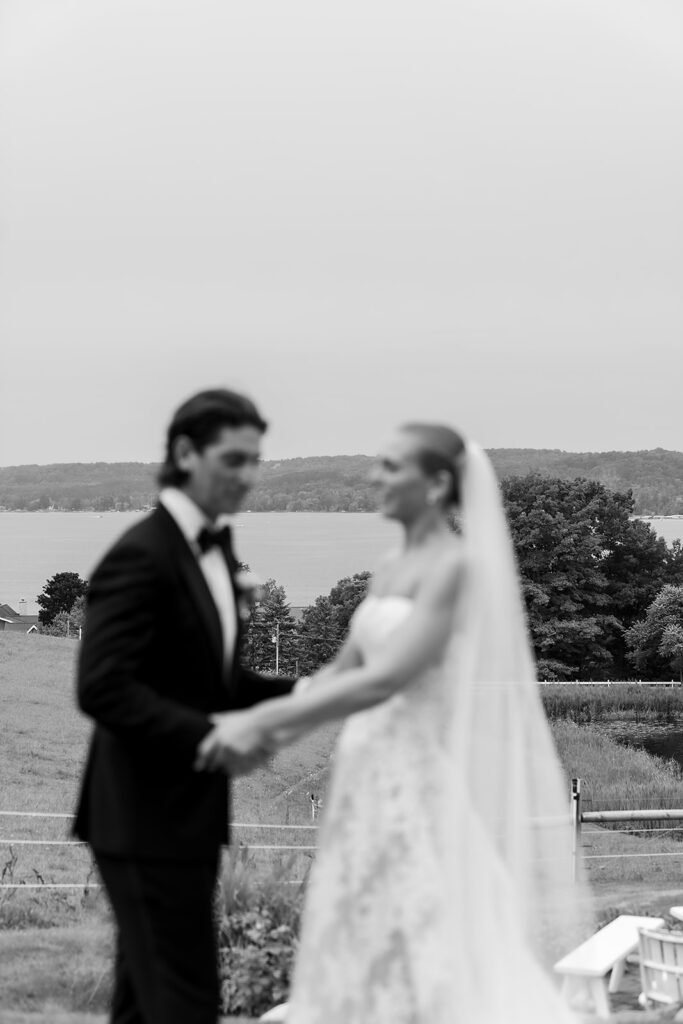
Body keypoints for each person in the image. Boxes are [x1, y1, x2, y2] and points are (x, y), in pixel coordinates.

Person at [199, 423, 592, 1024]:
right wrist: (258, 722)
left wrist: (263, 723)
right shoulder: (388, 567)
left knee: (420, 932)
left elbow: (386, 679)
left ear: (435, 483)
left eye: (390, 466)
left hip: (416, 777)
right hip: (364, 773)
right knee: (361, 920)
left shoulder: (457, 569)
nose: (373, 477)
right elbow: (340, 673)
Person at [73, 388, 295, 1024]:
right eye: (233, 460)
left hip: (189, 813)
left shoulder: (215, 547)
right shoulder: (141, 553)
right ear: (184, 453)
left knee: (144, 1005)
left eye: (255, 461)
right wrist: (210, 736)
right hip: (143, 818)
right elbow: (101, 687)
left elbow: (217, 682)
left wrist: (313, 690)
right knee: (185, 1002)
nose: (248, 477)